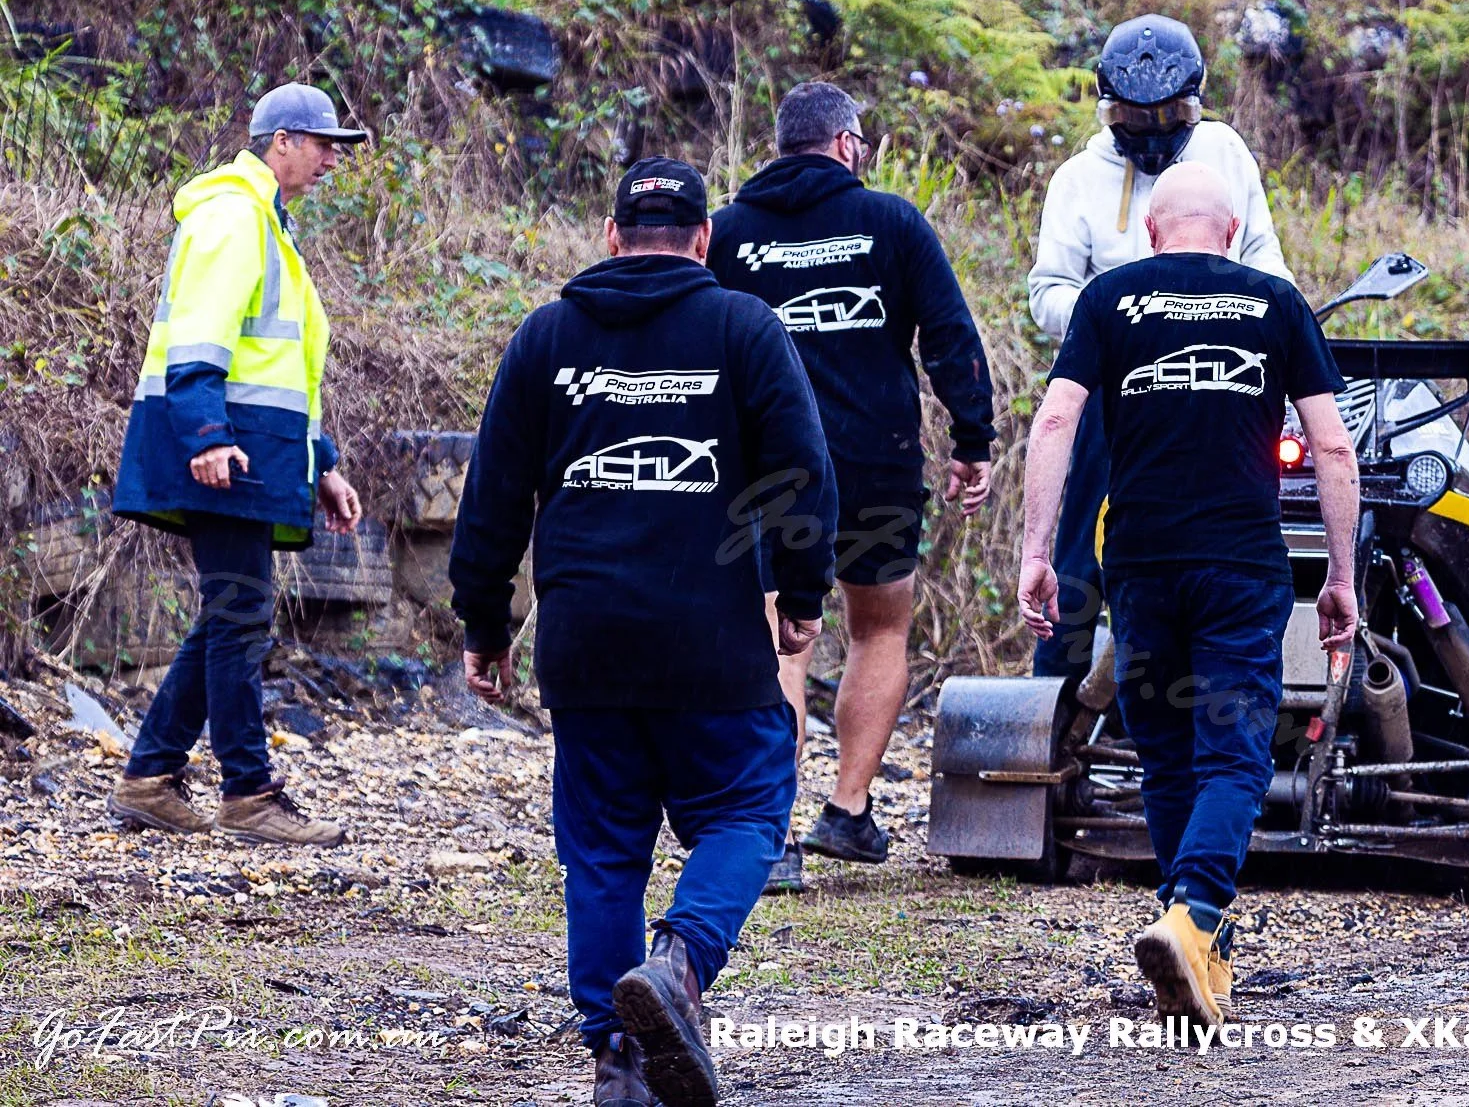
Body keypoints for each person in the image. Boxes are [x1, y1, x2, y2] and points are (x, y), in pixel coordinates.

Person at [450, 158, 837, 1107]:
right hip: (709, 639)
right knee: (749, 810)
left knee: (603, 848)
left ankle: (619, 1054)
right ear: (704, 241)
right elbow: (802, 469)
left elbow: (492, 494)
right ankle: (681, 964)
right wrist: (802, 591)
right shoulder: (743, 326)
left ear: (614, 237)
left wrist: (485, 622)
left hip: (586, 642)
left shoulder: (547, 335)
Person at [1017, 161, 1359, 1029]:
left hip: (1139, 569)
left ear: (1153, 235)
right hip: (1240, 569)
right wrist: (1344, 579)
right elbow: (1333, 448)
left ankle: (1197, 951)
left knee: (1167, 753)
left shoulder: (1109, 298)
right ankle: (1196, 914)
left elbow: (1055, 421)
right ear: (1237, 234)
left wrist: (1038, 554)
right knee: (1236, 752)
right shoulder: (1278, 304)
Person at [708, 81, 995, 890]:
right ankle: (847, 806)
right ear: (844, 144)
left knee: (780, 640)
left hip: (765, 468)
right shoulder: (892, 222)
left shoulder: (727, 233)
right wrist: (972, 436)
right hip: (875, 460)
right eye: (860, 140)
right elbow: (949, 336)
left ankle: (769, 834)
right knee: (880, 630)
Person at [107, 82, 367, 847]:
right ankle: (247, 790)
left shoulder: (265, 223)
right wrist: (208, 434)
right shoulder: (232, 215)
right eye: (322, 144)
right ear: (279, 141)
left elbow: (284, 367)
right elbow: (198, 338)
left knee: (230, 612)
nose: (330, 160)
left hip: (252, 444)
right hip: (226, 447)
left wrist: (322, 461)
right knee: (241, 615)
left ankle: (151, 776)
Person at [1026, 14, 1294, 680]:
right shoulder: (1076, 180)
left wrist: (1279, 335)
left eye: (1169, 113)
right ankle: (1055, 690)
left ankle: (1246, 681)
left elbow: (1267, 260)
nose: (1151, 130)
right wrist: (1117, 319)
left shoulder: (1223, 153)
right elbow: (1048, 291)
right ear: (1107, 106)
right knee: (1084, 539)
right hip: (1116, 389)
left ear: (1195, 102)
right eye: (1134, 116)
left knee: (1247, 533)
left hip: (1227, 382)